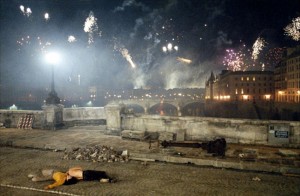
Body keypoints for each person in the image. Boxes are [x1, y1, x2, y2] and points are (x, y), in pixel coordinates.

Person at [28, 167, 116, 190]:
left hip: (51, 175)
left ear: (67, 179)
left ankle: (33, 177)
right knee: (43, 171)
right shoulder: (66, 175)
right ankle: (33, 175)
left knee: (42, 176)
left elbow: (56, 184)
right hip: (55, 171)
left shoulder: (62, 179)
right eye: (70, 177)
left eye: (69, 177)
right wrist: (68, 173)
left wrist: (49, 186)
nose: (70, 176)